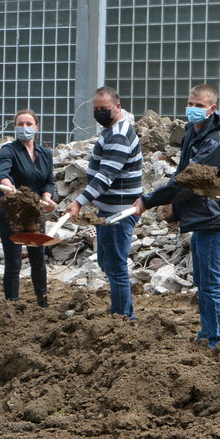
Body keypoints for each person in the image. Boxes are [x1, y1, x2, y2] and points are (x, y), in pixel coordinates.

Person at [131, 84, 220, 349]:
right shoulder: (193, 131)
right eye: (191, 103)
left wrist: (148, 200)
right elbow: (181, 172)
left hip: (216, 217)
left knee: (211, 282)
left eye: (200, 106)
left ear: (212, 108)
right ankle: (207, 334)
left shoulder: (215, 141)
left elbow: (187, 182)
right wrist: (174, 208)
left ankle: (217, 340)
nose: (193, 109)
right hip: (202, 216)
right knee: (202, 281)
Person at [66, 87, 144, 320]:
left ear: (118, 107)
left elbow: (105, 176)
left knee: (117, 266)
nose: (99, 113)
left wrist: (79, 202)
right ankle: (121, 312)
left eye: (104, 109)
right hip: (108, 210)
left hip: (119, 213)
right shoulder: (110, 130)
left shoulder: (118, 135)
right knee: (108, 262)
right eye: (96, 109)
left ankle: (122, 317)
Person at [0, 109, 55, 306]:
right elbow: (3, 171)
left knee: (38, 260)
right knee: (14, 262)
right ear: (15, 127)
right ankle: (12, 305)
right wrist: (7, 185)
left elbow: (48, 181)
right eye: (20, 124)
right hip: (11, 212)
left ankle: (42, 303)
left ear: (36, 127)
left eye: (29, 124)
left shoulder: (45, 154)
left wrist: (47, 197)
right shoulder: (8, 150)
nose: (24, 128)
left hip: (34, 213)